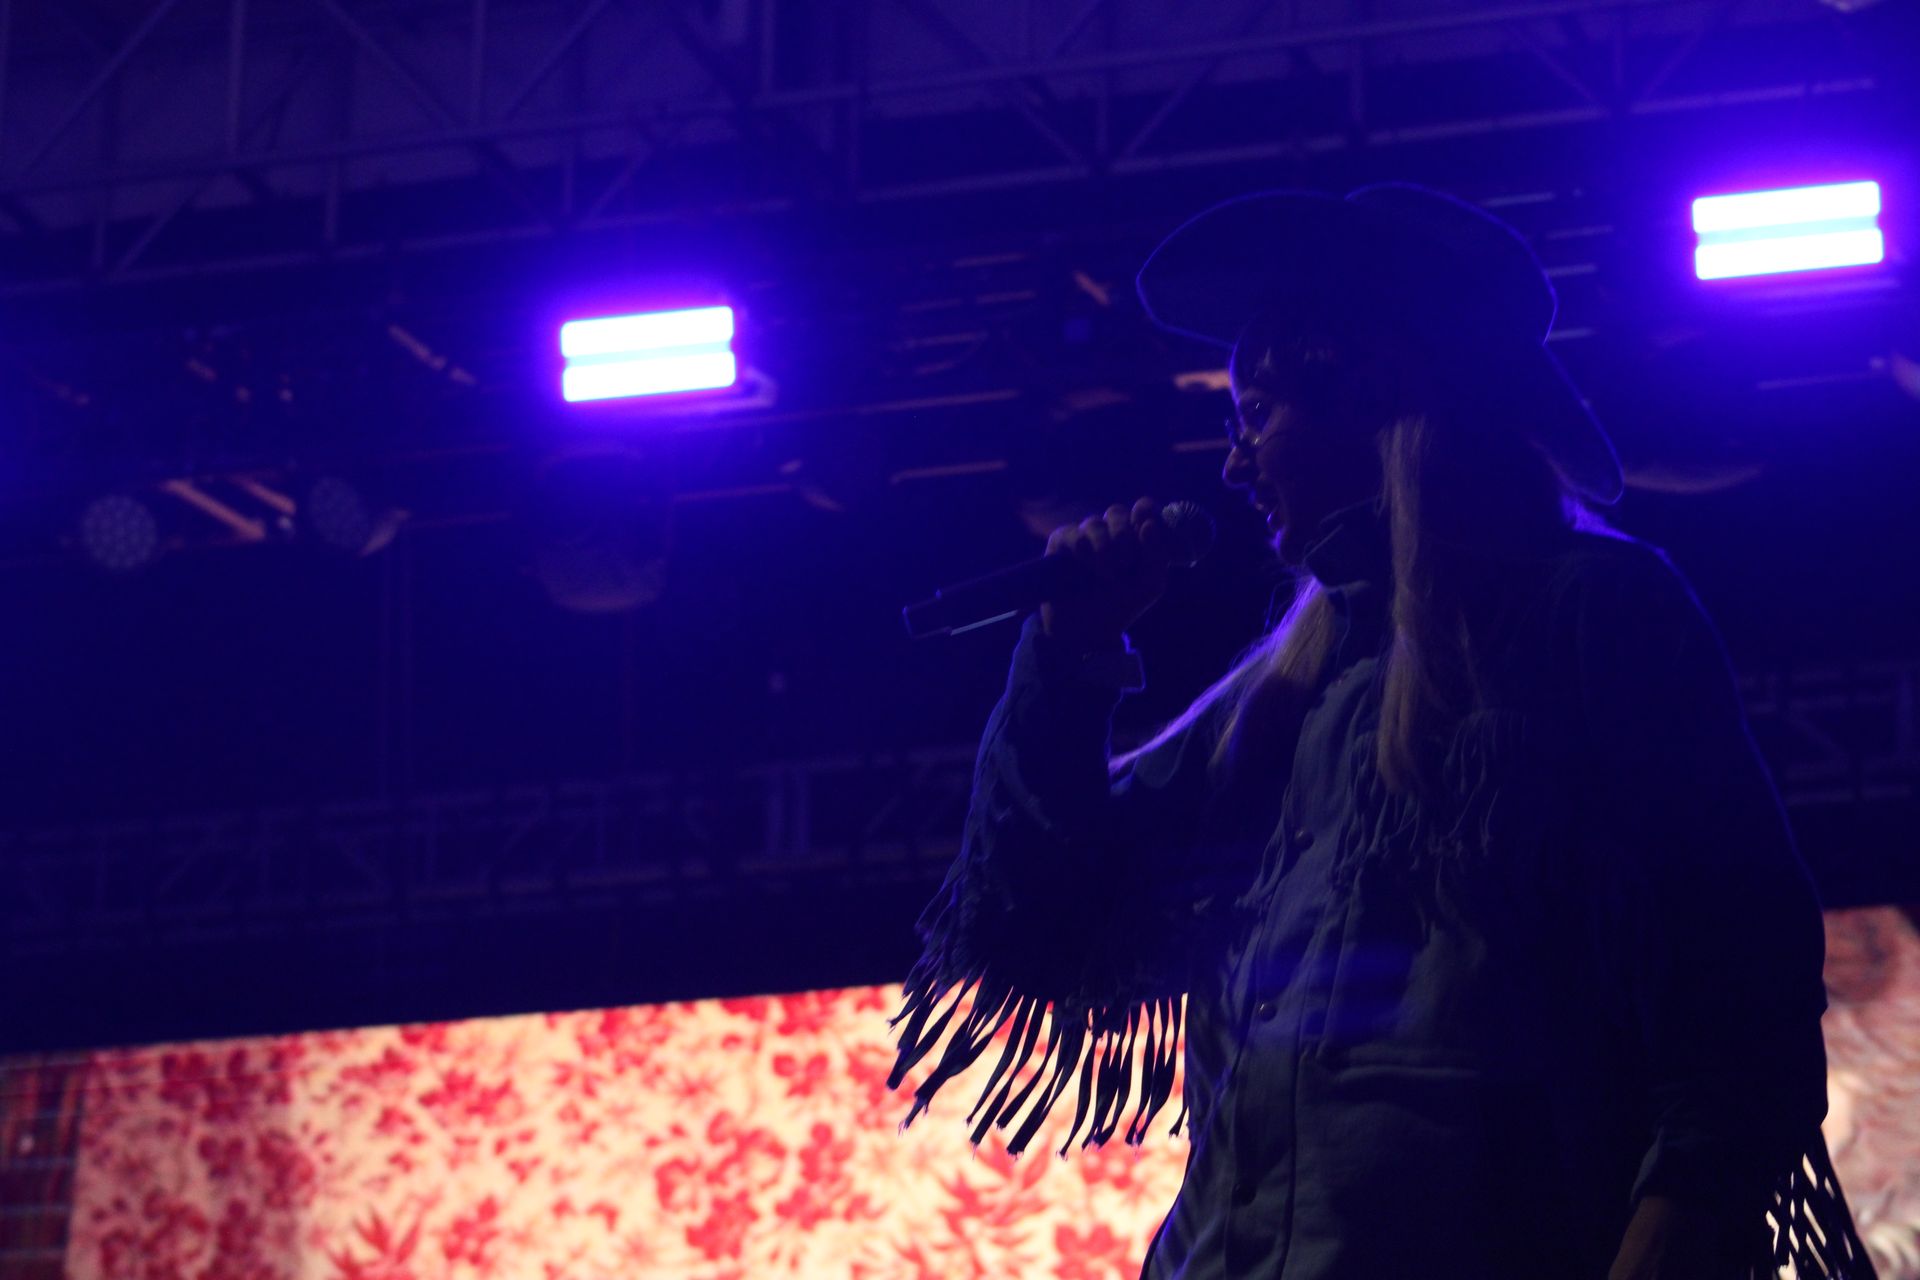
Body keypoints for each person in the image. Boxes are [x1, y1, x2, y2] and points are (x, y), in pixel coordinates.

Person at [884, 183, 1877, 1279]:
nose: (1232, 462)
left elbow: (1737, 1007)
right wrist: (1066, 661)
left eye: (1256, 413)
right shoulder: (1282, 694)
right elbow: (1040, 918)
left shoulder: (1593, 612)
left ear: (1370, 390)